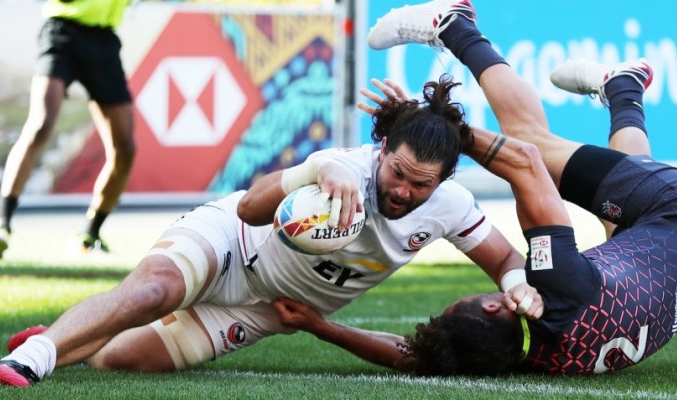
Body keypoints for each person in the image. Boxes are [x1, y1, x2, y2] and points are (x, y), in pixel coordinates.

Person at [0, 10, 542, 384]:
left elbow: (503, 258)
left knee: (122, 358)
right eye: (397, 172)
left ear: (444, 182)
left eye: (420, 184)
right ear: (381, 151)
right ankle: (33, 359)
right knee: (153, 292)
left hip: (268, 310)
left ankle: (62, 333)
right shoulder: (344, 168)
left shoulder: (450, 207)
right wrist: (314, 168)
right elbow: (247, 209)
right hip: (232, 243)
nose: (403, 190)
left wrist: (518, 287)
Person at [274, 0, 674, 376]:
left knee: (618, 212)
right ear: (491, 304)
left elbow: (418, 355)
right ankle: (456, 25)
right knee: (530, 138)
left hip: (653, 262)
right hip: (669, 204)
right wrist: (424, 122)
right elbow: (525, 161)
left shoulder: (517, 360)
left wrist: (321, 327)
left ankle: (625, 88)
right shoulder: (558, 283)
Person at [0, 0, 136, 256]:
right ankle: (2, 224)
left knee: (125, 149)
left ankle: (90, 235)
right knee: (41, 125)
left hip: (104, 41)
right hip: (63, 33)